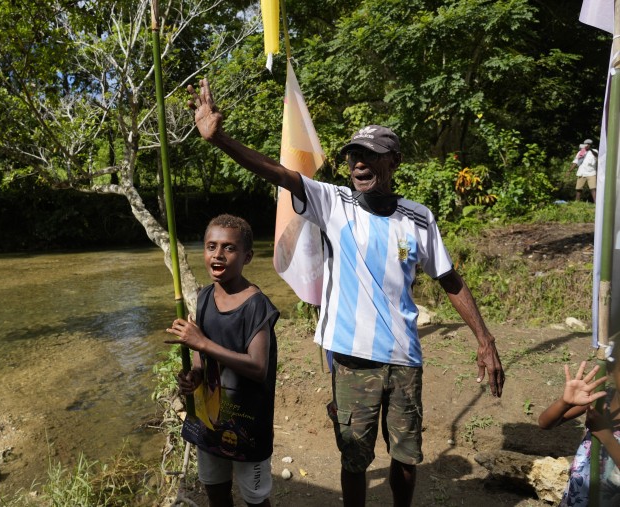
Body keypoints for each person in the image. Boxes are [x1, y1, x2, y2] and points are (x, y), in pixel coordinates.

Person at [186, 79, 505, 507]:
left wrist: (484, 340)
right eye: (353, 156)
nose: (358, 164)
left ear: (394, 161)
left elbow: (449, 279)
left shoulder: (420, 219)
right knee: (354, 458)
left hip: (405, 358)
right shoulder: (334, 202)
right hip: (351, 361)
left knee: (406, 457)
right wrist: (219, 139)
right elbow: (277, 172)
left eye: (369, 156)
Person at [165, 214, 279, 507]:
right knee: (215, 488)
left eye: (229, 248)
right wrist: (195, 376)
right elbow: (201, 359)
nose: (218, 254)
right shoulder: (203, 297)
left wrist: (202, 342)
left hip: (248, 423)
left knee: (255, 497)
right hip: (210, 420)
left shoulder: (256, 306)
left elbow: (257, 367)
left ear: (248, 256)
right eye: (211, 246)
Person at [538, 351, 620, 506]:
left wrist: (605, 436)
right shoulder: (601, 399)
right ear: (611, 370)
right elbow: (545, 423)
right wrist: (565, 402)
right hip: (580, 494)